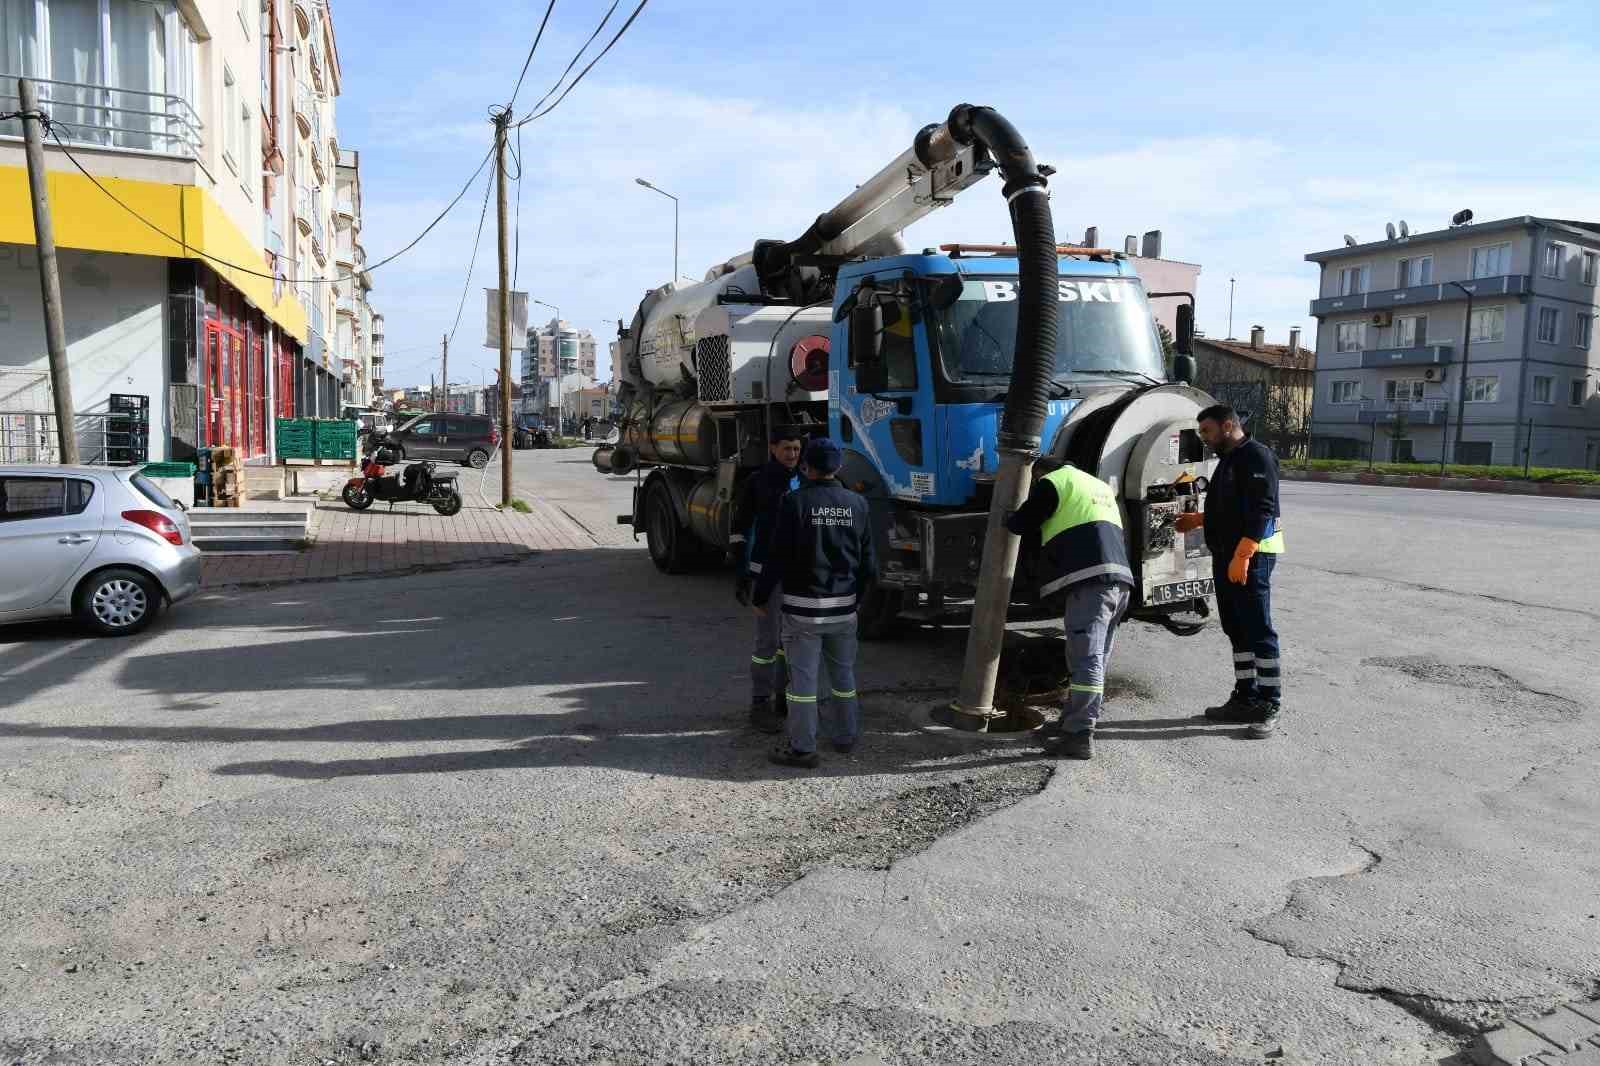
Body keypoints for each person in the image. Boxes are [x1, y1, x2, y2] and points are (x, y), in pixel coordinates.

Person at [752, 437, 877, 768]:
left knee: (803, 685)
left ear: (806, 467)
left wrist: (760, 596)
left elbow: (777, 557)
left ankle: (803, 748)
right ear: (839, 466)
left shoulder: (794, 502)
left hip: (802, 611)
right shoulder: (858, 504)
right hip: (843, 610)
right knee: (844, 677)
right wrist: (857, 600)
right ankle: (846, 736)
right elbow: (869, 564)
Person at [1004, 461, 1133, 759]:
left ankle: (1079, 734)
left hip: (1091, 585)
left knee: (1086, 660)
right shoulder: (1098, 486)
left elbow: (1021, 523)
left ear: (1040, 473)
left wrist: (1005, 516)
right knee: (1095, 659)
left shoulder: (1054, 482)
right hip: (1120, 583)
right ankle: (1071, 722)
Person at [1174, 403, 1284, 738]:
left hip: (1252, 556)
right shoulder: (1229, 459)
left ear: (1227, 426)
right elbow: (1231, 507)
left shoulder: (1256, 456)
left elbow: (1263, 509)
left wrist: (1245, 553)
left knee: (1258, 629)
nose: (1203, 438)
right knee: (1236, 628)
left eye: (1207, 431)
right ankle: (1245, 696)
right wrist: (1199, 519)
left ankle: (1269, 702)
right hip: (1226, 555)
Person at [732, 428, 806, 733]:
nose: (792, 454)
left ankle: (784, 697)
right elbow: (741, 528)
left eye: (797, 449)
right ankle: (759, 702)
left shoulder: (805, 481)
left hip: (797, 575)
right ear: (773, 448)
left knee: (793, 641)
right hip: (766, 576)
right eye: (787, 448)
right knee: (768, 642)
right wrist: (742, 573)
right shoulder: (757, 481)